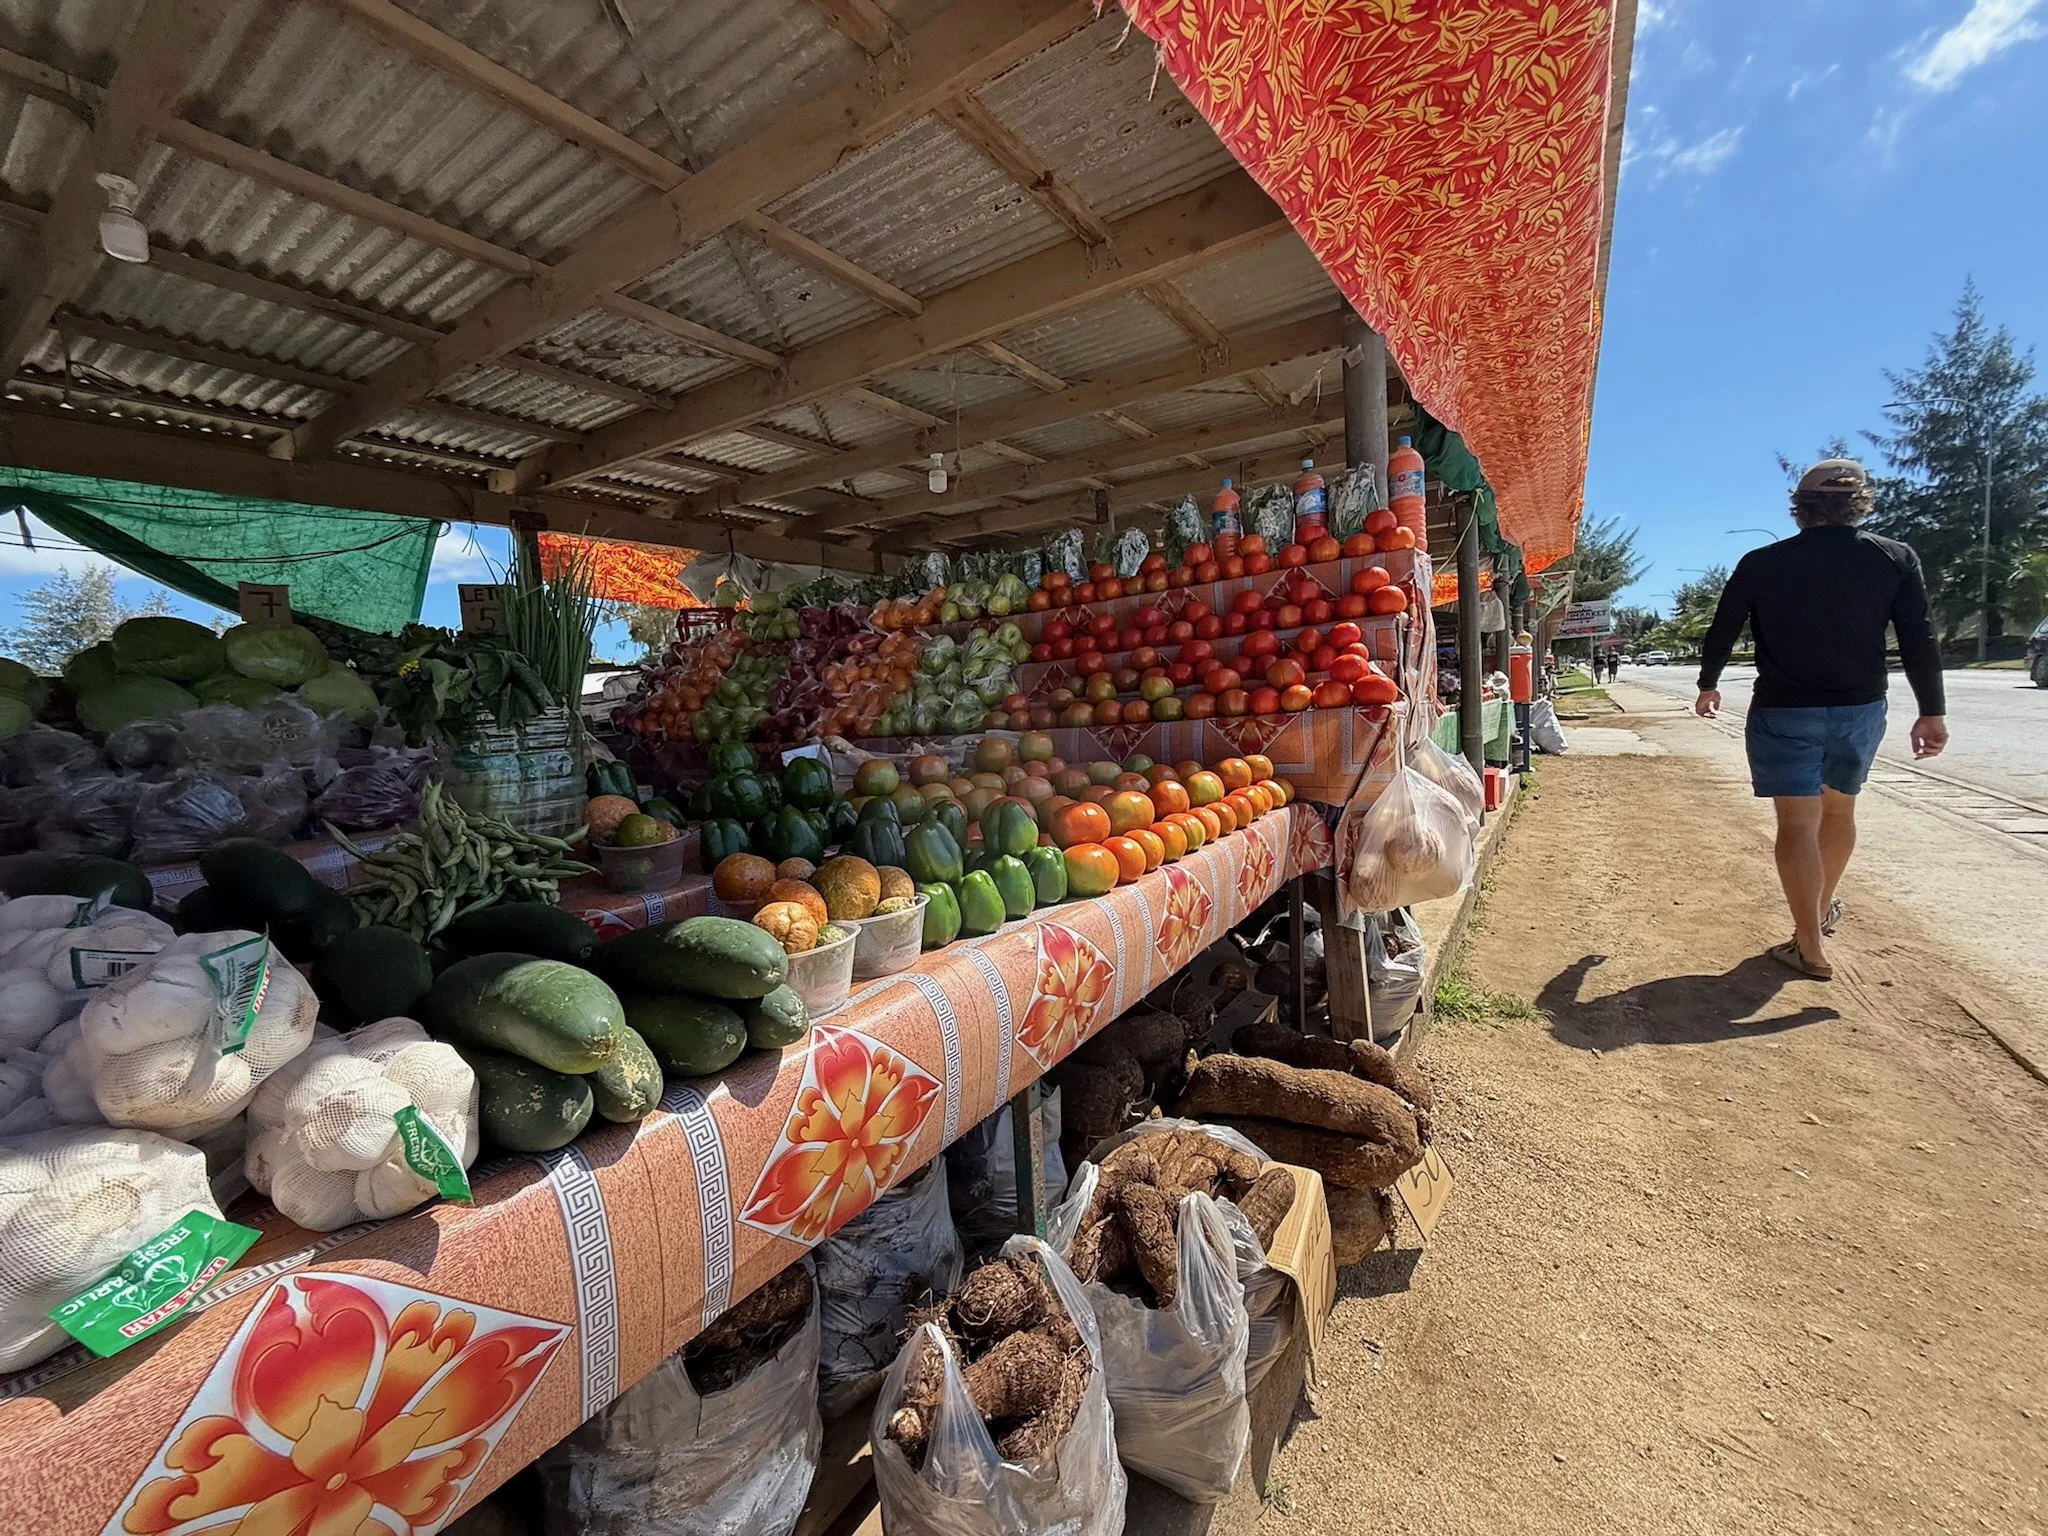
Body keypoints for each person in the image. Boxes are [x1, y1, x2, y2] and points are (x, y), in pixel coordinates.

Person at [1694, 459, 1946, 980]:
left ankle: (1809, 944)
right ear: (1859, 504)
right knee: (1839, 813)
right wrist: (1931, 711)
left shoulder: (1762, 562)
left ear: (1801, 508)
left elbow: (1722, 629)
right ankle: (1821, 908)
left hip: (1784, 709)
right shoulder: (1893, 558)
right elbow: (1919, 638)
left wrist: (1709, 683)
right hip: (1859, 709)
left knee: (1797, 822)